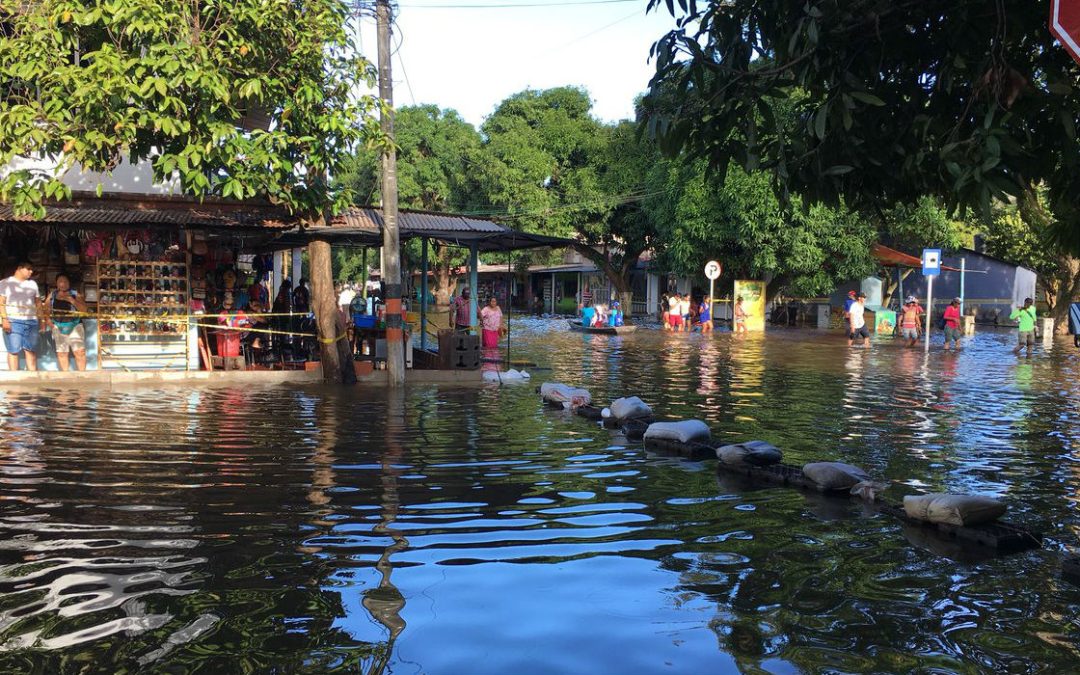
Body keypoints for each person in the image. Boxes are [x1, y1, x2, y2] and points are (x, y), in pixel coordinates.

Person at [0, 262, 41, 371]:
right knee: (14, 350)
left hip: (32, 320)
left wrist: (42, 320)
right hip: (13, 320)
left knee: (31, 350)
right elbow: (1, 303)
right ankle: (15, 378)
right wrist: (4, 319)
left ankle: (32, 378)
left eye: (32, 270)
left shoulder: (33, 284)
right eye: (28, 269)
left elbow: (38, 303)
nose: (31, 272)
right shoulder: (5, 283)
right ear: (19, 268)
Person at [45, 273, 88, 371]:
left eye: (65, 281)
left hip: (75, 326)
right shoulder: (52, 295)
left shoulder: (75, 294)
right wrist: (49, 322)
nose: (62, 283)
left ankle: (82, 376)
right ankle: (66, 375)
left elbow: (84, 310)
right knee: (62, 353)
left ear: (69, 283)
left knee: (79, 352)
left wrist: (72, 300)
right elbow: (46, 310)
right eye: (60, 281)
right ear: (56, 283)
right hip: (58, 326)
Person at [216, 294, 250, 370]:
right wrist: (231, 323)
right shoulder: (223, 313)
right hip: (226, 335)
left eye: (231, 304)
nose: (230, 306)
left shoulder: (240, 312)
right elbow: (222, 322)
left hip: (240, 334)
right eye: (228, 304)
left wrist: (235, 323)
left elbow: (246, 321)